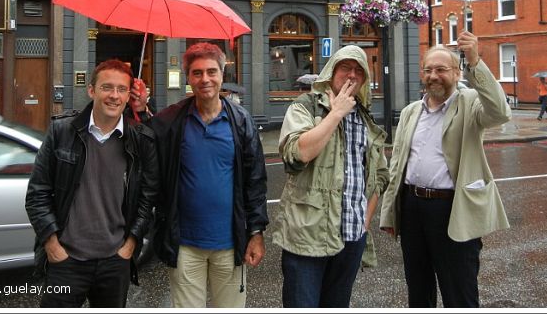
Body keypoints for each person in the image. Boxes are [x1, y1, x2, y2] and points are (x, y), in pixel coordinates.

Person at [379, 31, 512, 308]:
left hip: (452, 209)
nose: (433, 76)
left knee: (459, 292)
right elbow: (398, 166)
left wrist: (474, 59)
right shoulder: (410, 111)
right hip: (413, 207)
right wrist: (390, 212)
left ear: (457, 73)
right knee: (418, 289)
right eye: (428, 70)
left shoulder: (471, 104)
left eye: (441, 69)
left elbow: (500, 111)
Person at [25, 59, 159, 307]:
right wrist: (52, 245)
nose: (114, 96)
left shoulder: (141, 140)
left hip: (114, 262)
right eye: (107, 87)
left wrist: (130, 245)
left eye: (122, 89)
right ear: (91, 90)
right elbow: (37, 194)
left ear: (130, 95)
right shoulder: (62, 132)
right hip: (66, 260)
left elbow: (147, 198)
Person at [147, 42, 268, 308]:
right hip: (185, 245)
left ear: (223, 74)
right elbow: (140, 143)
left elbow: (255, 181)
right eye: (197, 73)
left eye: (211, 71)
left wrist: (256, 232)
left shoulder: (241, 121)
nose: (205, 79)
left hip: (229, 242)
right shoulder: (170, 120)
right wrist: (135, 106)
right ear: (188, 77)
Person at [274, 45, 390, 308]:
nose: (351, 75)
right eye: (345, 68)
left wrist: (365, 221)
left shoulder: (364, 117)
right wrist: (336, 113)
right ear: (331, 71)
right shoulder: (306, 107)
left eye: (358, 70)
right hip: (308, 237)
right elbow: (297, 154)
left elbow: (379, 175)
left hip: (351, 237)